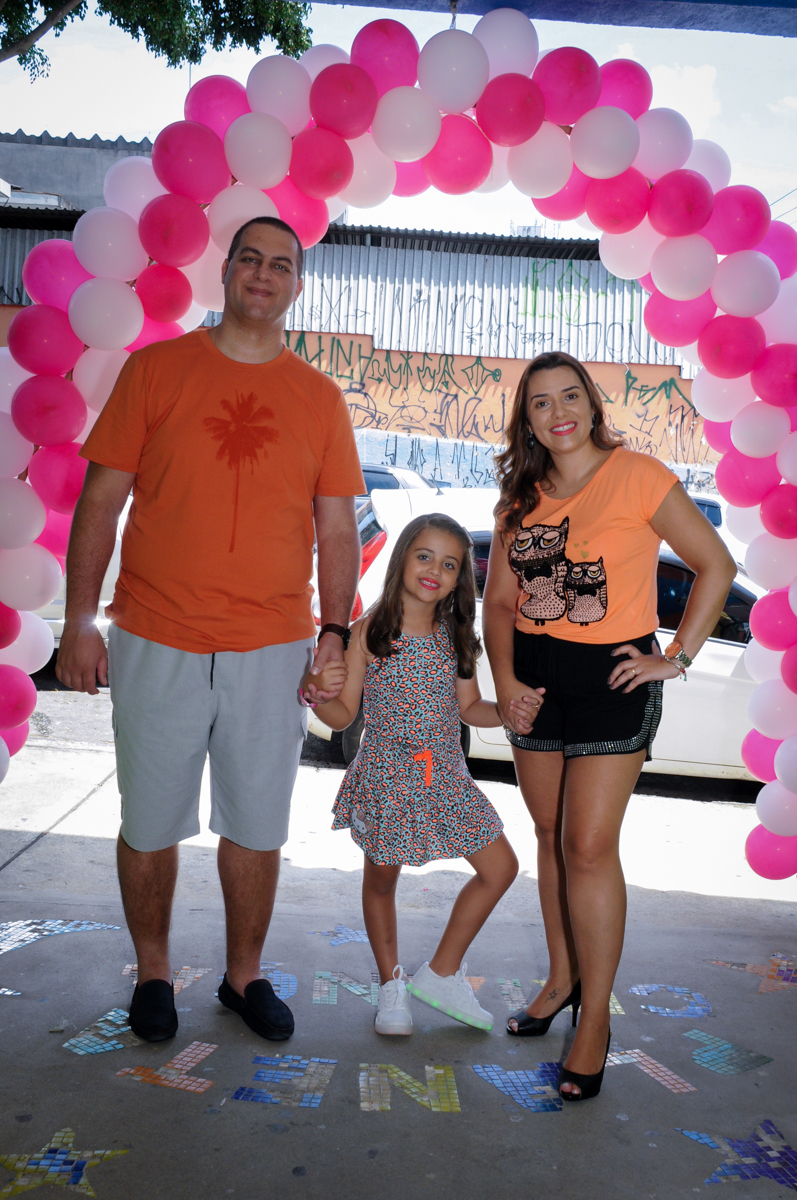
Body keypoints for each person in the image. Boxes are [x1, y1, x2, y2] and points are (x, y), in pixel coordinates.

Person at [56, 216, 364, 1045]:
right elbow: (100, 504)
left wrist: (335, 629)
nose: (264, 275)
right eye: (250, 260)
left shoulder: (320, 398)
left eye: (282, 266)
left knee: (257, 826)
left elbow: (336, 530)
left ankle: (242, 977)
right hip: (155, 634)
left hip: (273, 646)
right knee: (150, 823)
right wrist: (81, 620)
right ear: (225, 273)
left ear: (297, 286)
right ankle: (153, 973)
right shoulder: (155, 371)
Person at [482, 351, 736, 1100]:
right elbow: (498, 603)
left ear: (592, 406)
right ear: (525, 420)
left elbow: (713, 565)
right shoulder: (518, 495)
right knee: (550, 836)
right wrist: (505, 684)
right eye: (538, 403)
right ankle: (561, 979)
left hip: (612, 681)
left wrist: (676, 657)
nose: (556, 412)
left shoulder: (640, 476)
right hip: (532, 681)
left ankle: (595, 1016)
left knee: (589, 847)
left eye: (569, 397)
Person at [305, 513, 537, 1035]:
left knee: (500, 868)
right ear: (403, 559)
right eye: (425, 556)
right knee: (382, 880)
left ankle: (441, 972)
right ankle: (391, 985)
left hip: (447, 779)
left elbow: (469, 706)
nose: (435, 569)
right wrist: (316, 696)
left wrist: (505, 710)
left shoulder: (457, 638)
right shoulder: (370, 633)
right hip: (388, 777)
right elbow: (343, 714)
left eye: (450, 563)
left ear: (460, 579)